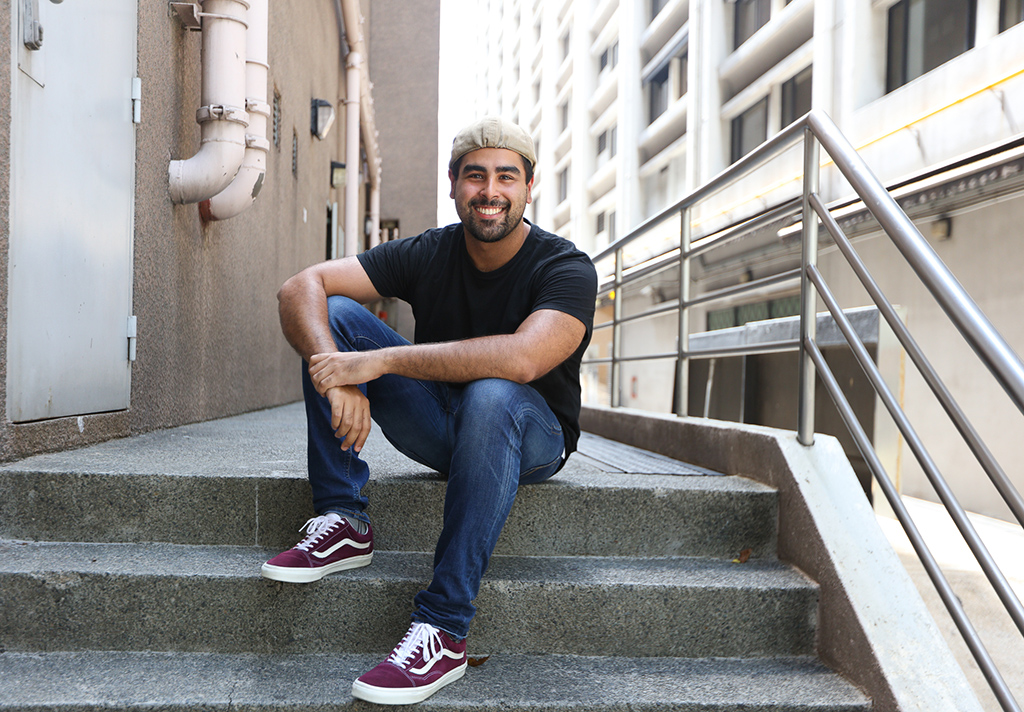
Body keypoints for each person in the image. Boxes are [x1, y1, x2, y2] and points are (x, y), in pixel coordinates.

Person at [263, 116, 598, 705]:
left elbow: (522, 360)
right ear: (453, 184)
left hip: (530, 437)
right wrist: (337, 377)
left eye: (506, 177)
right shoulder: (430, 251)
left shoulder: (565, 267)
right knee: (333, 317)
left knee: (492, 392)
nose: (489, 191)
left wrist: (379, 363)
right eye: (475, 175)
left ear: (529, 186)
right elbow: (300, 286)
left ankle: (443, 629)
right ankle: (344, 518)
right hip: (442, 426)